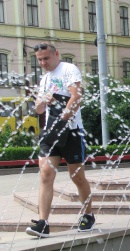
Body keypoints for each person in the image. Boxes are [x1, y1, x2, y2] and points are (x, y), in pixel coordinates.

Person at [25, 42, 95, 238]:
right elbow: (38, 109)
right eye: (40, 60)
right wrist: (43, 101)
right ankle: (43, 223)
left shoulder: (68, 69)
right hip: (50, 132)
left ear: (56, 54)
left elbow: (77, 96)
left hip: (71, 131)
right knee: (46, 174)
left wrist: (63, 117)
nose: (43, 63)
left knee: (77, 177)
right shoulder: (45, 79)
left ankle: (88, 215)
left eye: (46, 58)